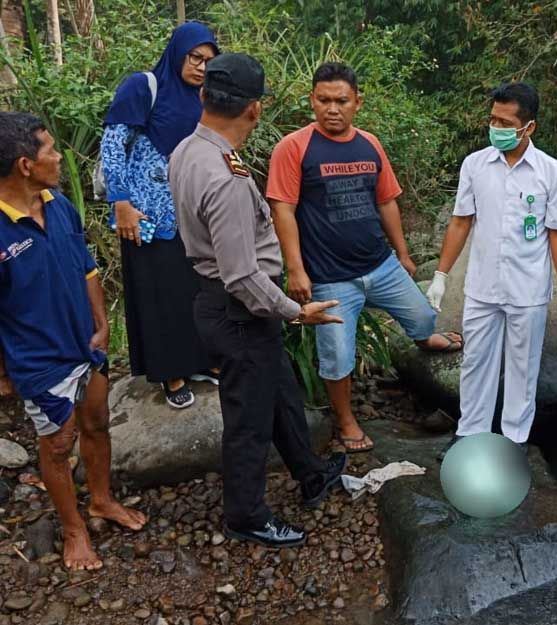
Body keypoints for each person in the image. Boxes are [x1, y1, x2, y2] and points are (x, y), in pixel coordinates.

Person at [170, 53, 346, 547]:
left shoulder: (188, 149)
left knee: (281, 391)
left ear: (205, 96)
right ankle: (245, 515)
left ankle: (311, 473)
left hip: (231, 309)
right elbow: (241, 276)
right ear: (255, 109)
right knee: (248, 419)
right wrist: (296, 312)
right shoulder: (224, 177)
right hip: (240, 312)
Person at [267, 62, 463, 454]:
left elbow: (387, 201)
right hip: (330, 277)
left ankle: (425, 339)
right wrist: (296, 269)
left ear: (357, 102)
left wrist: (403, 255)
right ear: (312, 101)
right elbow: (282, 209)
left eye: (341, 100)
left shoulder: (370, 144)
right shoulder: (294, 148)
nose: (332, 108)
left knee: (424, 318)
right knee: (337, 355)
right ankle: (345, 420)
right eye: (323, 100)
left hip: (380, 264)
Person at [0, 112, 147, 570]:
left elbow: (86, 267)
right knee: (58, 445)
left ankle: (101, 500)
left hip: (88, 345)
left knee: (97, 422)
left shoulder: (59, 204)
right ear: (25, 164)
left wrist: (101, 322)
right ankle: (73, 529)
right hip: (40, 360)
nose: (59, 156)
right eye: (49, 149)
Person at [428, 82, 557, 457]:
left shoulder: (551, 172)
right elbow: (461, 221)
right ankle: (470, 435)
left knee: (522, 368)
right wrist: (441, 276)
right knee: (476, 360)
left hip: (527, 288)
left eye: (505, 122)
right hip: (482, 285)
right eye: (493, 118)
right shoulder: (476, 165)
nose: (496, 127)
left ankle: (513, 442)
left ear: (529, 127)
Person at [100, 22, 219, 408]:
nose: (201, 67)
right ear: (177, 53)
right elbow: (114, 143)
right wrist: (121, 201)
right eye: (195, 57)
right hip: (146, 215)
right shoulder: (143, 86)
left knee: (194, 289)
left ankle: (200, 359)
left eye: (208, 61)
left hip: (191, 214)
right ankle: (170, 373)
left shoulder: (204, 98)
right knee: (158, 293)